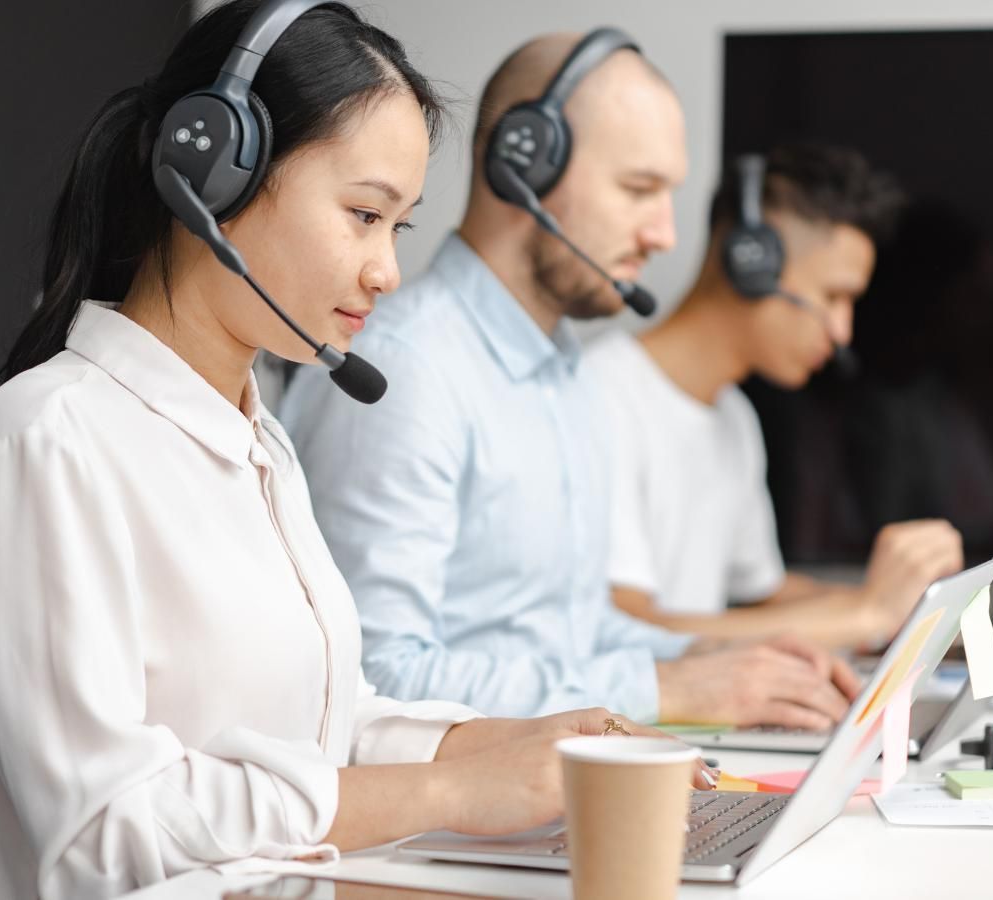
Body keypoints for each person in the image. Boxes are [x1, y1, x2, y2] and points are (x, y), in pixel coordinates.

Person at [0, 5, 706, 898]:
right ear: (213, 172)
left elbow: (319, 723)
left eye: (396, 227)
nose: (387, 270)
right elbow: (104, 831)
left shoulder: (259, 443)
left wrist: (498, 744)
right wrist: (445, 790)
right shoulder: (49, 441)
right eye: (363, 214)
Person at [281, 31, 860, 732]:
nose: (665, 235)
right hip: (434, 828)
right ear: (526, 160)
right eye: (639, 189)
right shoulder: (409, 372)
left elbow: (572, 631)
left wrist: (719, 657)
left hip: (551, 793)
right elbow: (374, 675)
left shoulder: (566, 374)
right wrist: (668, 690)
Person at [587, 144, 965, 650]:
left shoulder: (733, 418)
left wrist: (905, 606)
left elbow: (764, 595)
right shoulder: (601, 396)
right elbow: (630, 631)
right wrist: (863, 616)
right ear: (751, 261)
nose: (842, 332)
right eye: (833, 296)